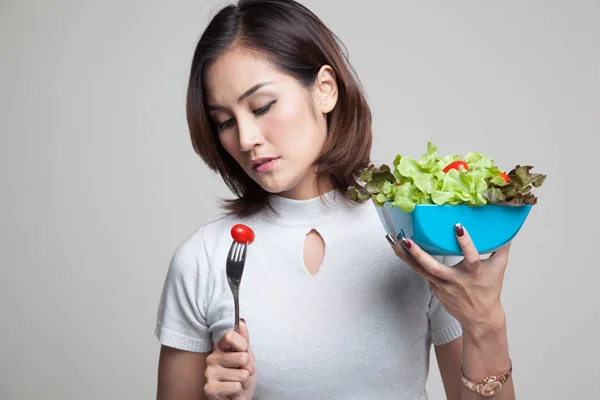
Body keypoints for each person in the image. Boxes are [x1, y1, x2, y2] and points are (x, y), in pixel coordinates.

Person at [155, 0, 516, 399]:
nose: (245, 139)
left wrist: (487, 325)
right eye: (224, 121)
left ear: (325, 90)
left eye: (262, 106)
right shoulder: (204, 259)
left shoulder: (415, 232)